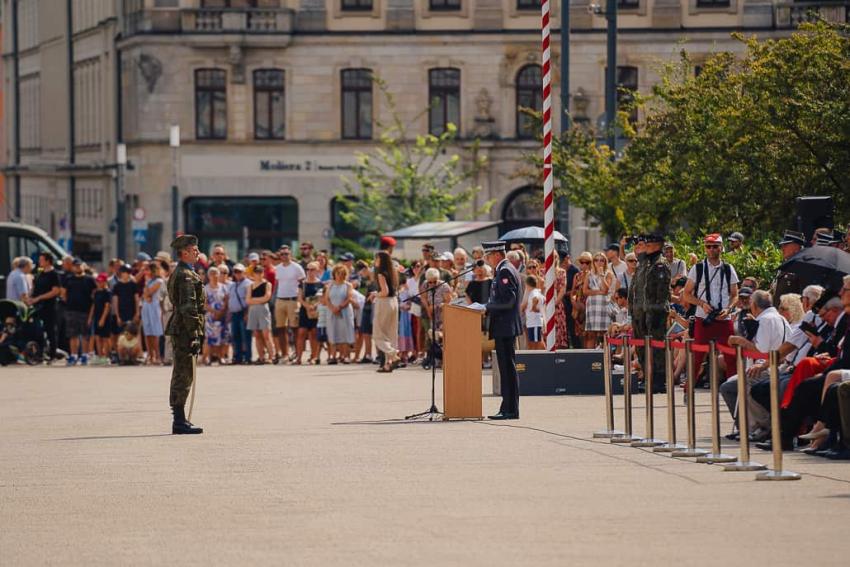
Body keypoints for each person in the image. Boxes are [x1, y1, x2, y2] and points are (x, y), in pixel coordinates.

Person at [682, 233, 740, 379]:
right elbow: (686, 294)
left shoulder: (728, 268)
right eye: (708, 246)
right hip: (703, 319)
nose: (712, 249)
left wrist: (729, 309)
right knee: (697, 358)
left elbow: (735, 294)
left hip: (723, 318)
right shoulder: (698, 268)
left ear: (721, 248)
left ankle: (734, 392)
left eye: (715, 246)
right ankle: (688, 391)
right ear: (705, 248)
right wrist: (701, 304)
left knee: (731, 357)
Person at [165, 234, 205, 435]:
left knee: (182, 372)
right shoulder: (185, 275)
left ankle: (180, 419)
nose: (197, 252)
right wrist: (195, 333)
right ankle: (179, 421)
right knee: (183, 373)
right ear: (185, 252)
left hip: (182, 328)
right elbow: (189, 307)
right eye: (194, 250)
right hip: (184, 330)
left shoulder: (183, 272)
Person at [483, 241, 522, 420]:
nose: (486, 259)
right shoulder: (504, 269)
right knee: (506, 369)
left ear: (497, 254)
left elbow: (509, 301)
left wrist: (487, 306)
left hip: (505, 326)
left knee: (507, 369)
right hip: (503, 326)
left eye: (488, 256)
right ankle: (508, 408)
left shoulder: (505, 270)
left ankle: (509, 409)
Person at [640, 233, 671, 392]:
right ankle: (654, 380)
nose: (647, 246)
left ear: (658, 245)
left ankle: (660, 382)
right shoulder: (650, 263)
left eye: (650, 244)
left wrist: (655, 311)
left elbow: (662, 293)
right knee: (652, 347)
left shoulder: (659, 264)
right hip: (650, 312)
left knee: (658, 349)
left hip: (657, 313)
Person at [273, 245, 306, 363]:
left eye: (286, 254)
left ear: (290, 254)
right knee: (280, 328)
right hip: (280, 299)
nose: (284, 256)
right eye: (282, 254)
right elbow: (277, 284)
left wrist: (301, 299)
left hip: (293, 299)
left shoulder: (297, 267)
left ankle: (298, 354)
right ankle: (285, 354)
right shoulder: (277, 268)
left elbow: (303, 283)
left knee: (295, 328)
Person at [62, 258, 96, 365]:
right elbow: (63, 294)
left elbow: (94, 295)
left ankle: (85, 355)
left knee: (85, 335)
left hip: (85, 310)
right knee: (73, 335)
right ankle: (74, 355)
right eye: (75, 266)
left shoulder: (89, 280)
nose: (77, 267)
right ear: (72, 267)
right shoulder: (68, 279)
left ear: (83, 266)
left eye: (79, 265)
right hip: (71, 310)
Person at [29, 252, 61, 360]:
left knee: (50, 330)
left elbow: (55, 291)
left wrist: (40, 297)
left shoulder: (53, 274)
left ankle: (52, 355)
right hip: (38, 306)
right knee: (37, 330)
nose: (39, 262)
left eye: (42, 260)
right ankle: (39, 353)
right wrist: (30, 297)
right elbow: (34, 287)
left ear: (48, 261)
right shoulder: (39, 273)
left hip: (49, 306)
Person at [373, 251, 400, 373]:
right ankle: (388, 364)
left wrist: (375, 294)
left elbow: (384, 291)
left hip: (384, 302)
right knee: (391, 333)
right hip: (394, 302)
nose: (375, 261)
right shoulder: (393, 272)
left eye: (376, 258)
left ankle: (393, 354)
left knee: (379, 334)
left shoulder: (380, 274)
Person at [582, 252, 614, 348]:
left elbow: (605, 290)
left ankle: (606, 356)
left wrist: (601, 275)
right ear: (593, 262)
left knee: (605, 332)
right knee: (591, 333)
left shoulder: (608, 274)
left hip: (604, 305)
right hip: (592, 306)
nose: (599, 262)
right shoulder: (589, 274)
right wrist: (598, 292)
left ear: (605, 262)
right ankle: (590, 358)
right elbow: (585, 291)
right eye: (596, 260)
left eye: (601, 260)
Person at [326, 264, 355, 365]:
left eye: (342, 273)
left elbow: (349, 298)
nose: (340, 275)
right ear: (334, 274)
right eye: (338, 273)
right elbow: (326, 299)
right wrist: (332, 308)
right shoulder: (330, 285)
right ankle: (333, 356)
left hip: (345, 311)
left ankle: (346, 356)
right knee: (333, 332)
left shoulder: (348, 285)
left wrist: (340, 307)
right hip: (332, 311)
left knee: (345, 332)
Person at [295, 262, 322, 365]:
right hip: (304, 310)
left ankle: (314, 357)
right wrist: (307, 306)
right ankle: (298, 357)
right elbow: (299, 298)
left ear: (317, 270)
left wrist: (315, 305)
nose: (309, 272)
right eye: (308, 269)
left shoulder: (320, 284)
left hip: (315, 310)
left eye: (312, 269)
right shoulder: (302, 283)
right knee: (301, 333)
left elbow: (322, 298)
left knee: (314, 333)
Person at [246, 266, 274, 364]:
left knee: (266, 334)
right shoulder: (250, 285)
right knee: (257, 334)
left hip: (263, 309)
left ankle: (271, 356)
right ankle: (261, 357)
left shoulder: (267, 284)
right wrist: (258, 300)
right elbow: (247, 300)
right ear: (253, 274)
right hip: (253, 310)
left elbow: (267, 297)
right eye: (256, 272)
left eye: (260, 272)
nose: (258, 274)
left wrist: (254, 300)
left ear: (263, 273)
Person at [141, 262, 165, 366]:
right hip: (146, 307)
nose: (146, 272)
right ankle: (150, 356)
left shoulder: (159, 281)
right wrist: (146, 295)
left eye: (148, 269)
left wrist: (146, 294)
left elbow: (149, 292)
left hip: (154, 307)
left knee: (155, 332)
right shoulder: (148, 281)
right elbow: (145, 295)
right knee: (147, 332)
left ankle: (158, 356)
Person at [227, 263, 252, 365]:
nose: (237, 274)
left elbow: (249, 300)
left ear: (244, 272)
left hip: (243, 312)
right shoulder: (232, 285)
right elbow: (230, 299)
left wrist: (247, 313)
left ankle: (247, 357)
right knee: (235, 336)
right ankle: (237, 357)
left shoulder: (248, 284)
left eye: (239, 272)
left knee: (245, 336)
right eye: (235, 272)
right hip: (234, 313)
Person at [91, 273, 112, 363]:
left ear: (105, 281)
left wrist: (103, 319)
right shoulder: (96, 292)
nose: (99, 283)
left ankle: (106, 356)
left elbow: (107, 306)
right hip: (97, 316)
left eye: (101, 281)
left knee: (105, 338)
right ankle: (100, 356)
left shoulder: (107, 292)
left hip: (105, 318)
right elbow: (94, 305)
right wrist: (90, 317)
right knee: (97, 337)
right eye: (98, 281)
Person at [524, 275, 545, 350]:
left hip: (535, 322)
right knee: (534, 342)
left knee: (536, 343)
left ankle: (543, 356)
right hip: (532, 322)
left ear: (527, 284)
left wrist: (534, 307)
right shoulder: (535, 292)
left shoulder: (534, 292)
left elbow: (535, 299)